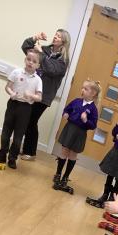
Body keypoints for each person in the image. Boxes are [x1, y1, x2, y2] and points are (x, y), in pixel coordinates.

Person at [20, 29, 71, 161]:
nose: (55, 37)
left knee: (31, 121)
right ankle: (26, 149)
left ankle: (30, 152)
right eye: (55, 35)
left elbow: (51, 70)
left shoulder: (63, 60)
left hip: (44, 96)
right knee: (26, 119)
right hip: (31, 89)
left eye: (59, 36)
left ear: (64, 41)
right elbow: (25, 47)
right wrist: (35, 37)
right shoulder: (45, 49)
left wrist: (41, 53)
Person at [0, 50, 42, 169]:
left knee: (18, 136)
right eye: (28, 59)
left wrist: (31, 95)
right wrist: (11, 93)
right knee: (6, 132)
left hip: (25, 108)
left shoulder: (38, 80)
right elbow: (7, 87)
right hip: (13, 104)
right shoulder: (16, 72)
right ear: (25, 60)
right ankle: (2, 155)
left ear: (38, 65)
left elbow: (39, 98)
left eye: (34, 61)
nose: (30, 62)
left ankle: (12, 158)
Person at [52, 80, 100, 192]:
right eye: (82, 88)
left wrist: (86, 120)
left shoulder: (93, 109)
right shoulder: (76, 101)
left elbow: (93, 125)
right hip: (69, 129)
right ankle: (58, 174)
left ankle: (65, 177)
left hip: (80, 133)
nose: (82, 90)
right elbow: (67, 109)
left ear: (93, 93)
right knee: (64, 152)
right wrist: (65, 113)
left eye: (85, 89)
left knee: (73, 155)